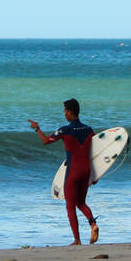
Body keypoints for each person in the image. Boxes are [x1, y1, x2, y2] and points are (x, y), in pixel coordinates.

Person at [28, 98, 99, 245]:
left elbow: (45, 141)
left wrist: (37, 128)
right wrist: (96, 174)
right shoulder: (89, 130)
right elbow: (97, 152)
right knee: (81, 202)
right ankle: (93, 224)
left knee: (70, 205)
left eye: (64, 110)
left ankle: (77, 240)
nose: (64, 113)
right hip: (86, 170)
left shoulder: (65, 130)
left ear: (69, 112)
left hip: (73, 171)